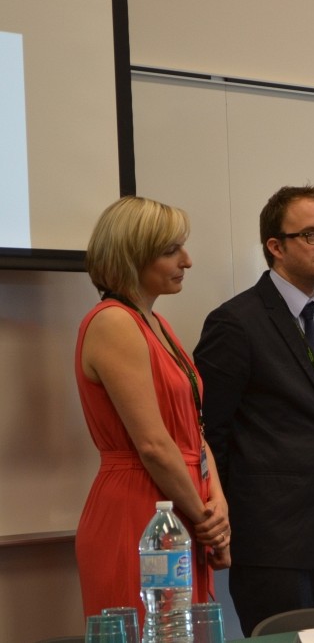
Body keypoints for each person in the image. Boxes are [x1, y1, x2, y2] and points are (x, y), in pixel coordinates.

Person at [194, 183, 314, 636]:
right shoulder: (236, 323)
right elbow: (210, 433)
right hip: (272, 540)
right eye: (312, 235)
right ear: (275, 246)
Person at [75, 195, 231, 619]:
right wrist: (204, 519)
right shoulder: (114, 322)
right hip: (140, 510)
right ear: (132, 257)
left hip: (181, 505)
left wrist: (217, 503)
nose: (188, 260)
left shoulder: (156, 323)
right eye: (170, 251)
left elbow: (193, 430)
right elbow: (153, 445)